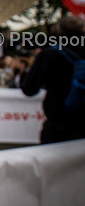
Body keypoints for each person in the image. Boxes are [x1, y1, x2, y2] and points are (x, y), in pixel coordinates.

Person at [20, 14, 85, 144]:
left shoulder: (50, 54)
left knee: (55, 163)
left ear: (58, 31)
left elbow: (29, 89)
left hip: (59, 126)